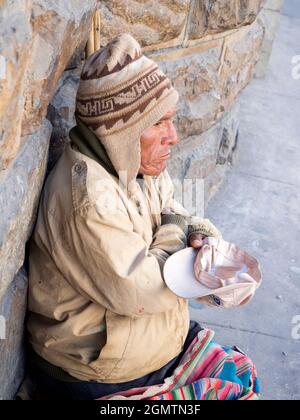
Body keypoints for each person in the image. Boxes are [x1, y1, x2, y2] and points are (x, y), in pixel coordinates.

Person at [26, 33, 223, 400]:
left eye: (172, 120)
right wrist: (177, 232)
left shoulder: (133, 163)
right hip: (97, 370)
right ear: (120, 133)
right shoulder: (89, 200)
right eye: (159, 123)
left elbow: (171, 209)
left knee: (239, 376)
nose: (174, 136)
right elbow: (142, 290)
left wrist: (197, 232)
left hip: (142, 346)